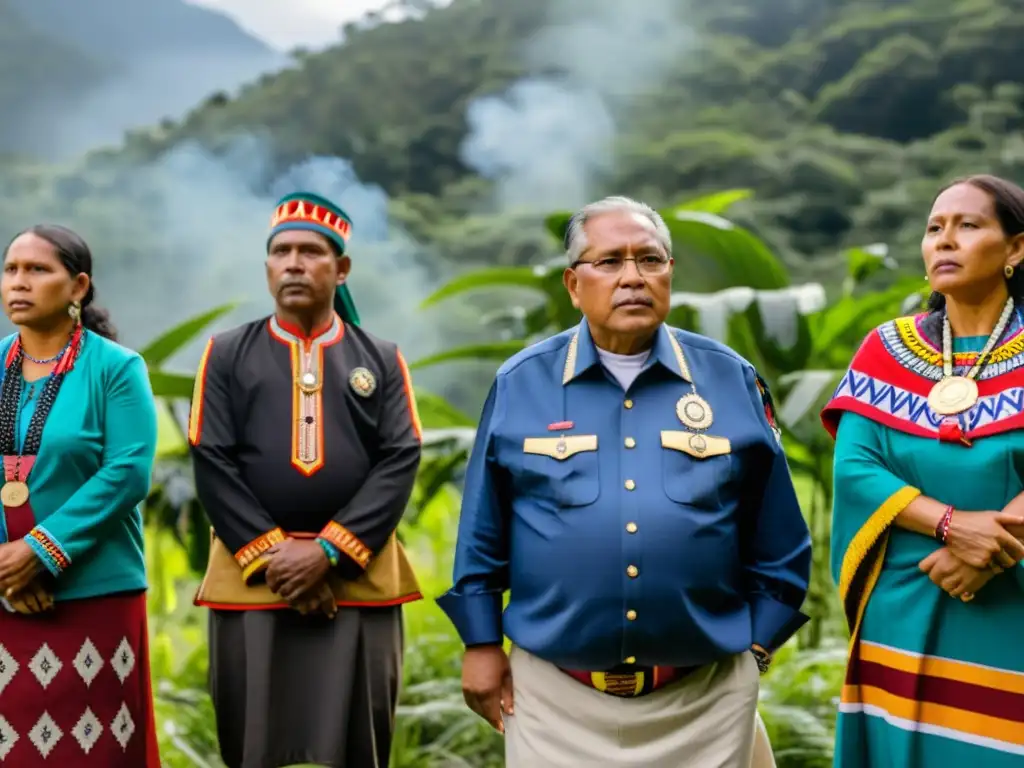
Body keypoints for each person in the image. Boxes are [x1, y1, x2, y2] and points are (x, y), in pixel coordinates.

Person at [436, 195, 812, 767]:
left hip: (703, 697)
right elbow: (483, 530)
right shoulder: (522, 382)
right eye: (609, 262)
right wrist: (481, 643)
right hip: (556, 698)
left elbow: (779, 537)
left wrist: (756, 648)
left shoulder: (729, 378)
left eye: (650, 260)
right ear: (573, 283)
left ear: (669, 274)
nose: (632, 277)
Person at [188, 191, 424, 768]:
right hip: (253, 579)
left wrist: (326, 553)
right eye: (281, 251)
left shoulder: (384, 358)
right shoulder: (224, 354)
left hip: (358, 580)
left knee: (358, 746)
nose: (293, 263)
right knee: (252, 744)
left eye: (311, 252)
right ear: (267, 267)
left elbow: (399, 459)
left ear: (341, 269)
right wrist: (279, 560)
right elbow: (211, 460)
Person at [822, 174, 1024, 767]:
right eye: (935, 228)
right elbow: (856, 466)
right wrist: (952, 526)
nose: (945, 240)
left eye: (968, 225)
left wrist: (992, 544)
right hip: (905, 607)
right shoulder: (886, 349)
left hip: (1010, 599)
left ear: (1016, 248)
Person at [0, 225, 160, 766]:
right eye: (11, 269)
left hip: (93, 598)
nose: (19, 282)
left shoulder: (116, 368)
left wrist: (41, 552)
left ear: (78, 286)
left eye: (37, 270)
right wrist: (6, 570)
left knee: (96, 752)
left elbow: (128, 472)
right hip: (2, 601)